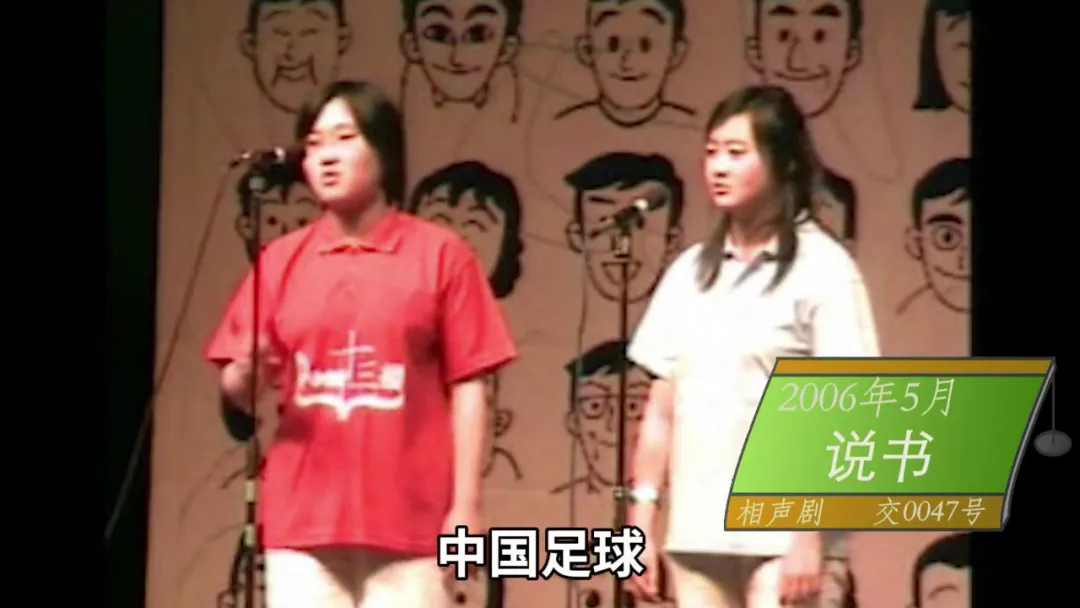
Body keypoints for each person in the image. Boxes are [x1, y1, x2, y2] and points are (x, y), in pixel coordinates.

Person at [204, 79, 518, 608]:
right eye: (314, 144)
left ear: (384, 151)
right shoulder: (281, 262)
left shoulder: (441, 255)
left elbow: (470, 385)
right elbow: (238, 394)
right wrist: (245, 374)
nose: (326, 156)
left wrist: (465, 508)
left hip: (412, 527)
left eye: (344, 138)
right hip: (301, 525)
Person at [625, 84, 880, 608]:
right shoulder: (689, 272)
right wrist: (641, 522)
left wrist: (808, 530)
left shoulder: (824, 270)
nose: (718, 167)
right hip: (696, 534)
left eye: (737, 153)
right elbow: (661, 411)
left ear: (783, 162)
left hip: (785, 540)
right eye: (712, 152)